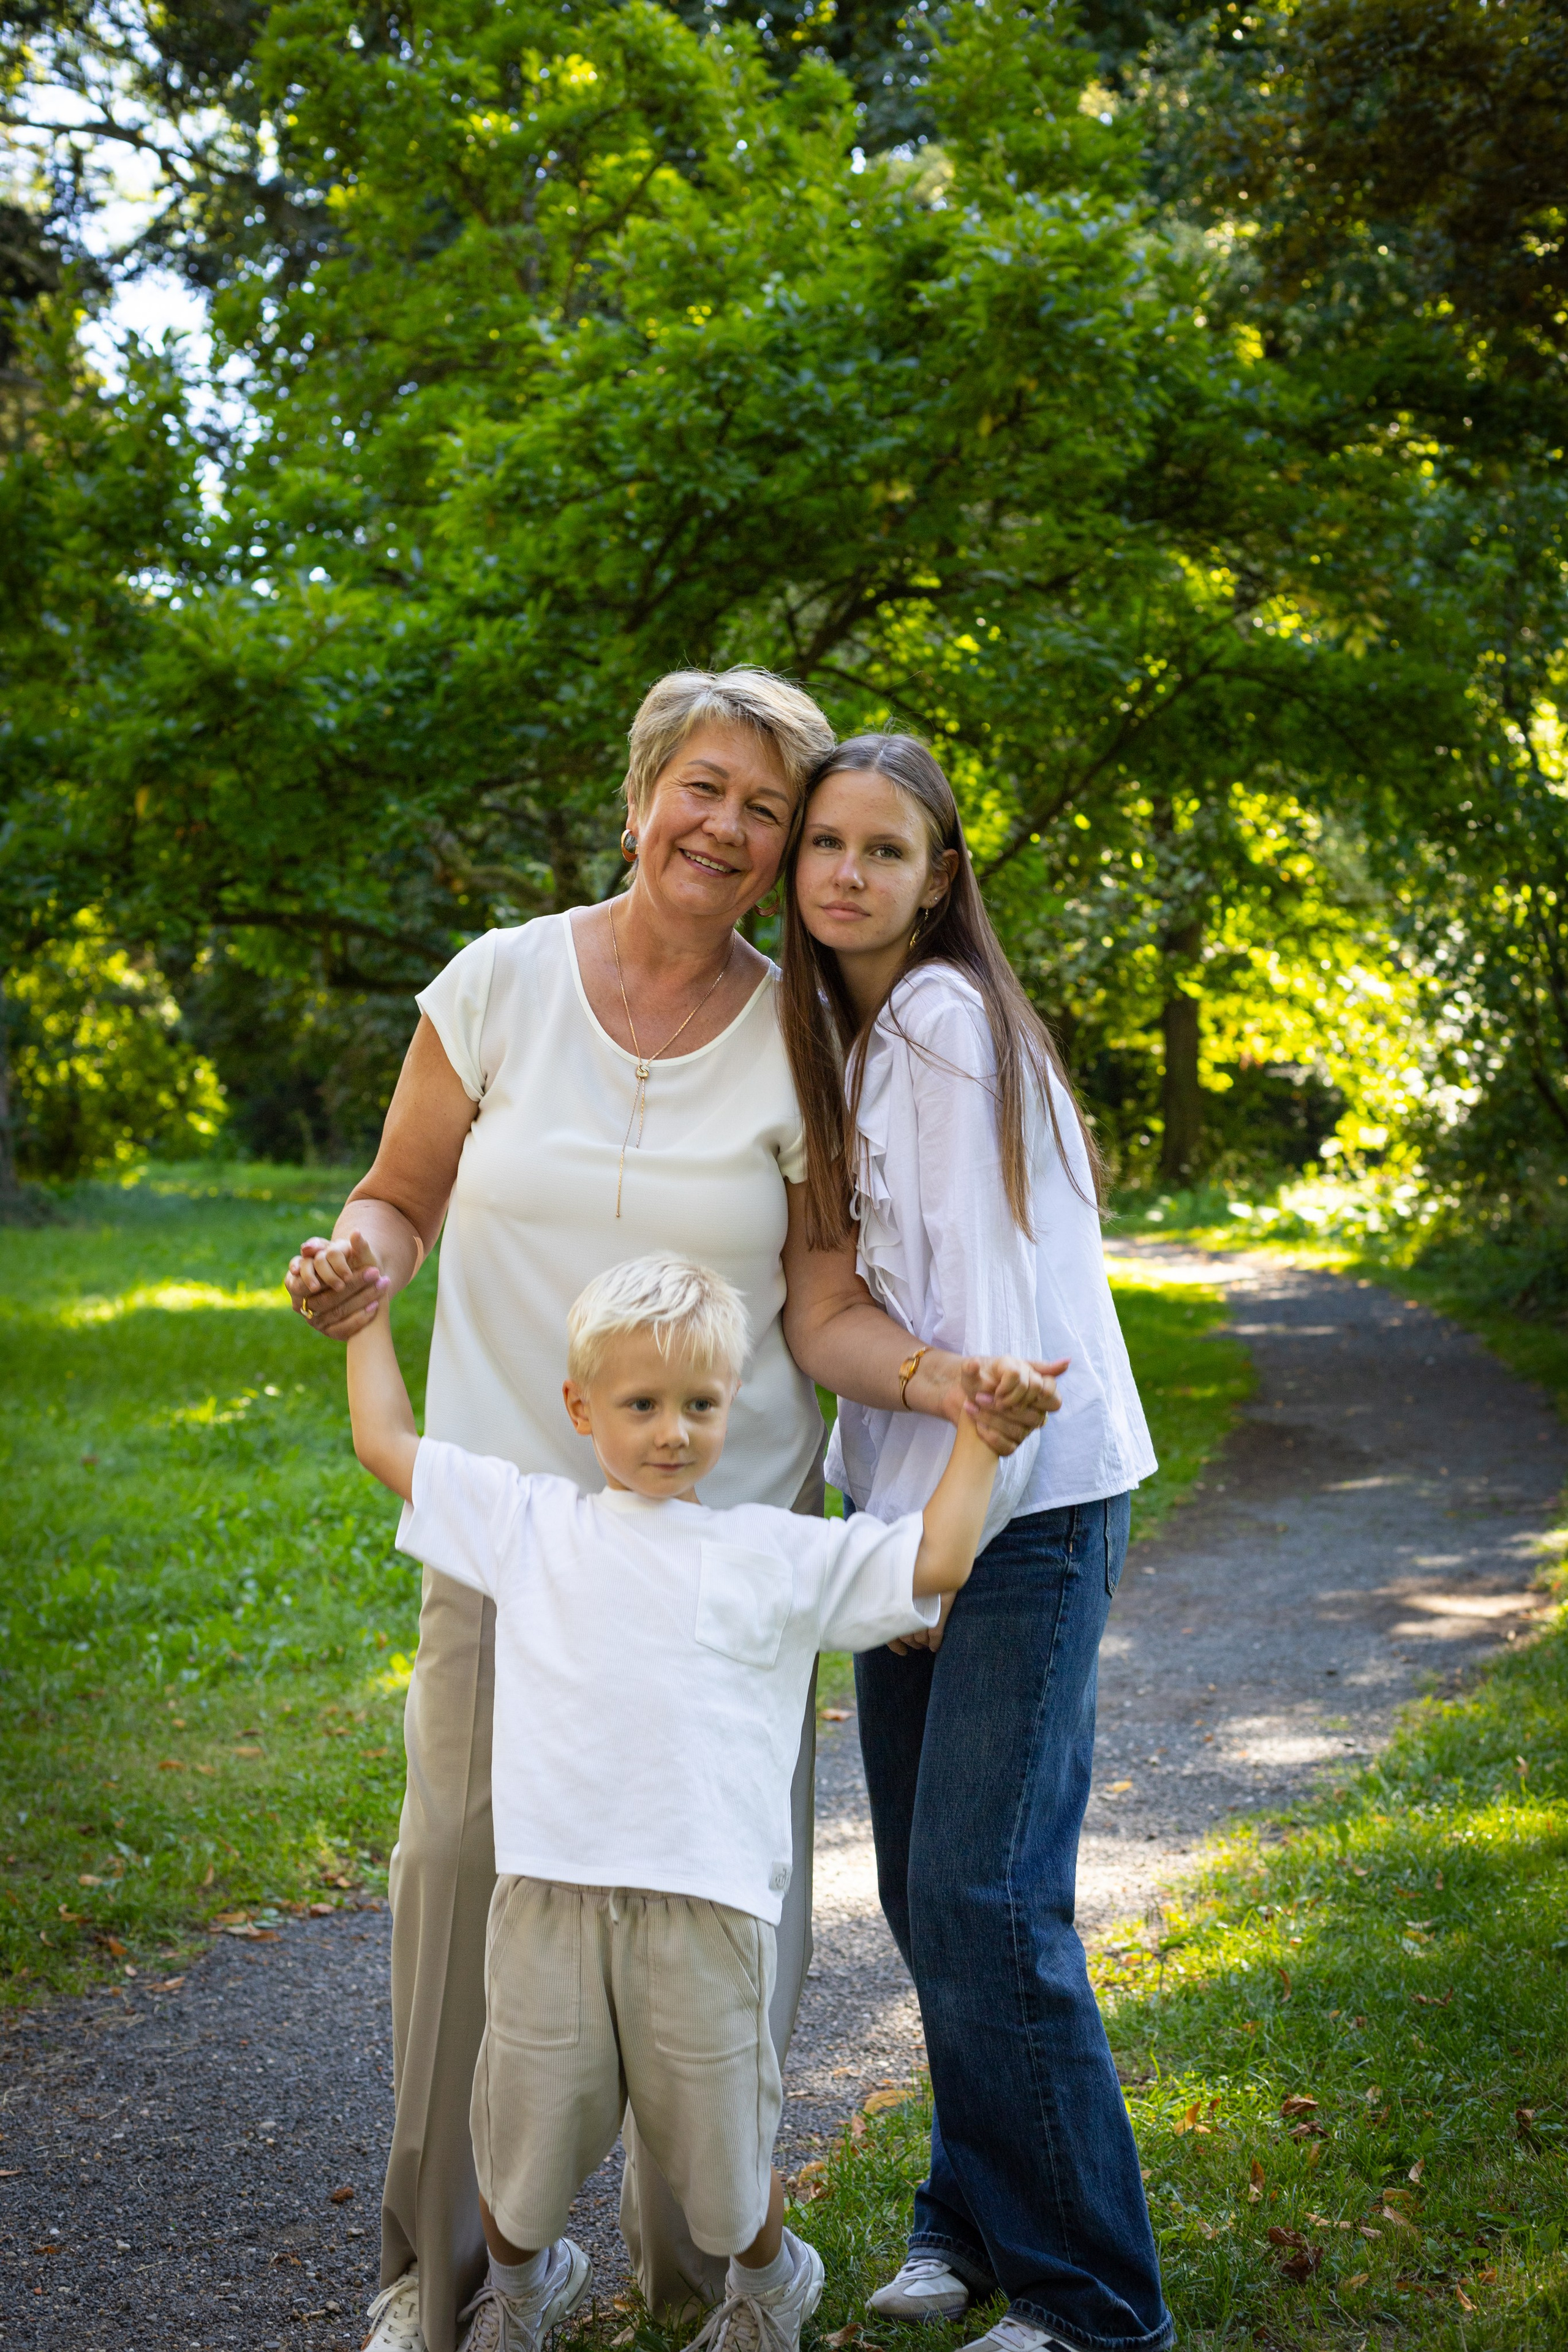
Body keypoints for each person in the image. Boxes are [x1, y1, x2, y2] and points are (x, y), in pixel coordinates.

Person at [285, 669, 1061, 2352]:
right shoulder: (497, 984)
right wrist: (364, 1264)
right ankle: (451, 2270)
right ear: (641, 796)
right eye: (702, 788)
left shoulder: (805, 1028)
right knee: (461, 1877)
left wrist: (940, 1383)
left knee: (712, 1912)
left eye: (764, 809)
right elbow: (400, 1194)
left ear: (786, 850)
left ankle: (702, 2276)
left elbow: (823, 1294)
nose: (727, 825)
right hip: (512, 1526)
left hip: (721, 1559)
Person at [328, 1242, 1005, 2352]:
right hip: (548, 1898)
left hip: (707, 1909)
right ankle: (520, 2284)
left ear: (732, 1403)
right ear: (579, 1407)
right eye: (640, 1404)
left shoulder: (773, 1555)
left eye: (699, 1403)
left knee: (725, 2179)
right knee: (524, 2161)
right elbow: (385, 1444)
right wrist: (365, 1321)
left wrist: (978, 1438)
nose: (671, 1431)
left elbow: (934, 1561)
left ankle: (771, 2281)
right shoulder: (532, 1524)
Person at [780, 734, 1172, 2352]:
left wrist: (944, 1540)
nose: (848, 873)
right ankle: (971, 2213)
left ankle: (1094, 2302)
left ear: (940, 878)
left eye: (887, 849)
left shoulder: (940, 1026)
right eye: (826, 844)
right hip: (915, 1512)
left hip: (1011, 1504)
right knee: (944, 1894)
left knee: (984, 1898)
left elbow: (1003, 1333)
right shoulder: (852, 1036)